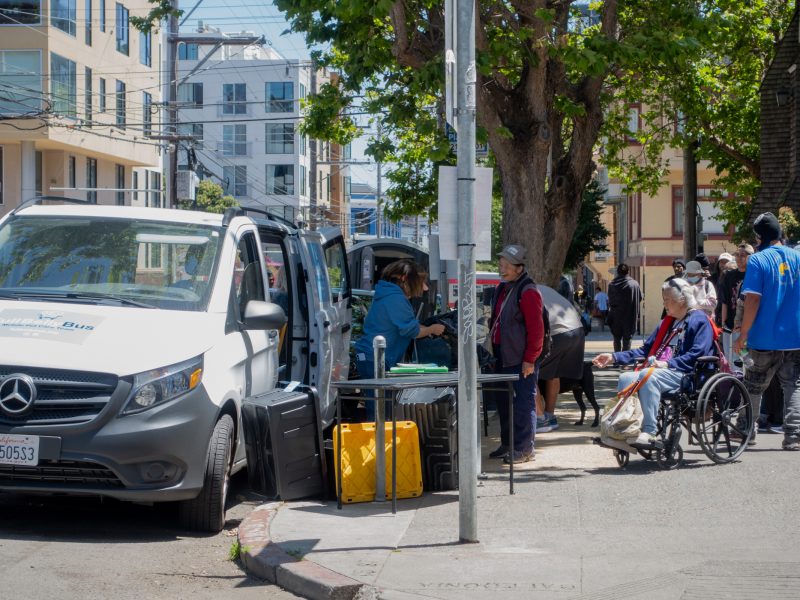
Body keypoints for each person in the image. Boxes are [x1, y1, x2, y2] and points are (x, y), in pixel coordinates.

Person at [593, 278, 715, 446]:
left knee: (647, 376)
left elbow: (697, 353)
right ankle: (625, 427)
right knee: (626, 378)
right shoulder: (667, 323)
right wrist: (614, 357)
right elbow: (644, 351)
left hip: (687, 374)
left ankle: (649, 431)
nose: (664, 304)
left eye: (667, 300)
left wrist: (667, 364)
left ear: (682, 300)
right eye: (664, 299)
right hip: (661, 371)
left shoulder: (699, 320)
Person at [733, 212, 800, 451]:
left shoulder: (758, 261)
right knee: (792, 385)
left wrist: (743, 334)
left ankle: (747, 431)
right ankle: (794, 436)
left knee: (754, 385)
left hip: (764, 336)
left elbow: (752, 300)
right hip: (795, 336)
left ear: (760, 237)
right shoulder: (798, 257)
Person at [487, 244, 544, 464]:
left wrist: (530, 359)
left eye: (507, 265)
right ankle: (508, 444)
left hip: (521, 358)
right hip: (502, 355)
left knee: (523, 402)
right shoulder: (504, 288)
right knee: (503, 401)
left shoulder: (528, 291)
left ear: (519, 268)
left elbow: (536, 330)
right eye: (501, 264)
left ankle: (525, 448)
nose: (502, 268)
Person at [354, 259, 445, 382]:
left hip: (369, 356)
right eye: (420, 281)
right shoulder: (396, 298)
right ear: (405, 279)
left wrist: (425, 328)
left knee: (377, 399)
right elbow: (411, 331)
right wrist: (432, 329)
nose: (424, 288)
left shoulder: (387, 294)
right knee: (380, 399)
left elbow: (407, 325)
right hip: (375, 358)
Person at [534, 285, 586, 433]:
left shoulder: (523, 291)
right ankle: (550, 416)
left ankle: (539, 419)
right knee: (553, 371)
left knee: (528, 371)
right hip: (576, 329)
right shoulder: (544, 288)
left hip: (556, 333)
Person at [718, 244, 753, 364]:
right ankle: (734, 382)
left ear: (750, 257)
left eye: (743, 255)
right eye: (737, 255)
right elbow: (725, 301)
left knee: (747, 361)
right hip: (731, 325)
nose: (739, 258)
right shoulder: (729, 276)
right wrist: (724, 323)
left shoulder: (754, 275)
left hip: (749, 325)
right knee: (732, 360)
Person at [607, 264, 642, 352]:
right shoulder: (634, 284)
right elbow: (640, 298)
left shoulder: (612, 284)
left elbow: (610, 300)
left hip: (616, 317)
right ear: (628, 272)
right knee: (627, 339)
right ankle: (624, 360)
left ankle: (617, 358)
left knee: (617, 338)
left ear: (618, 272)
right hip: (629, 316)